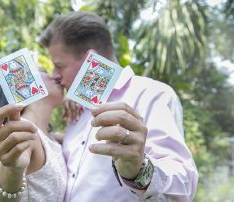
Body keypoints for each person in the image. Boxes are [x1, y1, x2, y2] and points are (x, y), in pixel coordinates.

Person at [37, 11, 198, 201]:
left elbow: (183, 183)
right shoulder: (77, 111)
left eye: (59, 65)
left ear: (91, 59)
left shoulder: (152, 95)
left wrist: (139, 170)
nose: (54, 74)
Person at [0, 68, 68, 202]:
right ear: (23, 85)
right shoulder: (19, 134)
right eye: (44, 72)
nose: (55, 75)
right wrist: (12, 170)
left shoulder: (51, 138)